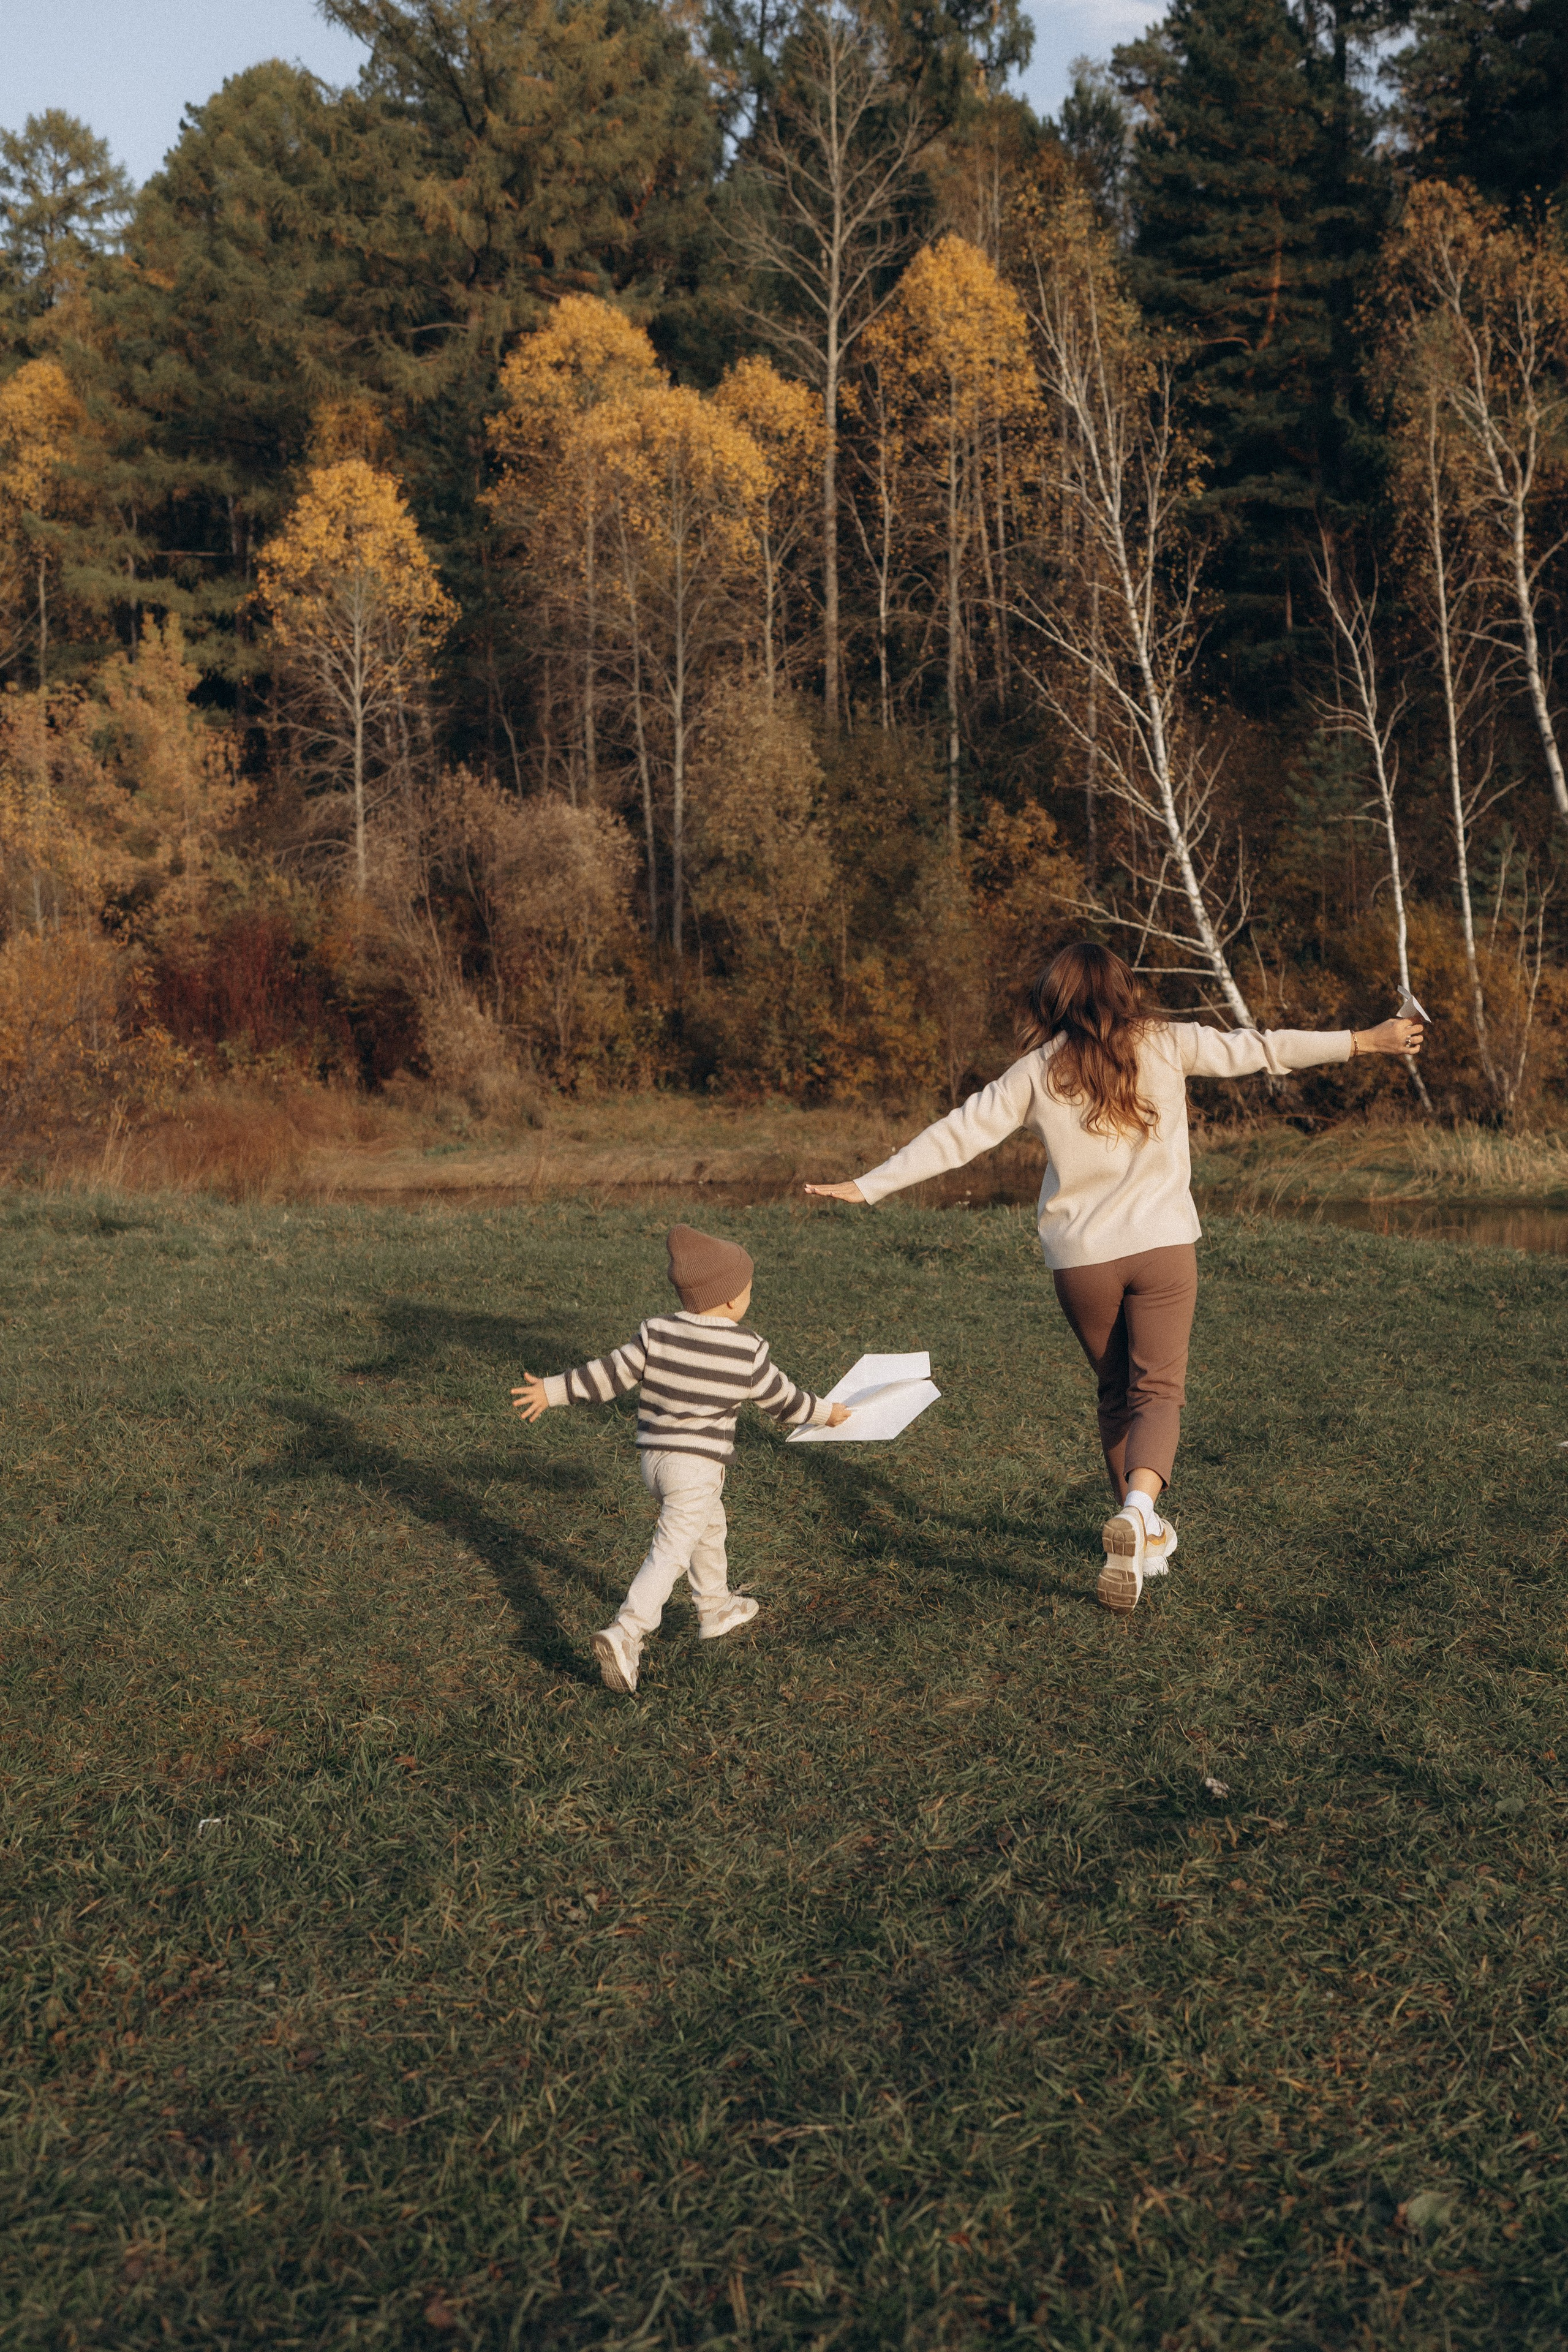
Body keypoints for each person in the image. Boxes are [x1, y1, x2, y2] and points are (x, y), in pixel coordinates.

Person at [805, 943, 1424, 1613]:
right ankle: (1138, 1513)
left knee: (1114, 1391)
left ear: (1054, 1000)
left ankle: (1144, 1538)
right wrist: (1366, 1041)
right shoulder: (1166, 1042)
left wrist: (867, 1187)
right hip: (1162, 1248)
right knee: (1157, 1389)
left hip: (1081, 1262)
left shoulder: (1035, 1071)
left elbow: (957, 1135)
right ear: (1123, 992)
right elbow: (1263, 1049)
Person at [511, 1223, 851, 1691]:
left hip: (654, 1463)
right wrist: (827, 1413)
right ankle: (627, 1630)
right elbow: (785, 1402)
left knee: (710, 1526)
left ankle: (715, 1608)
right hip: (696, 1468)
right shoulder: (744, 1349)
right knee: (670, 1551)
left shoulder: (658, 1333)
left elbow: (607, 1375)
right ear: (732, 1299)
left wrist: (553, 1390)